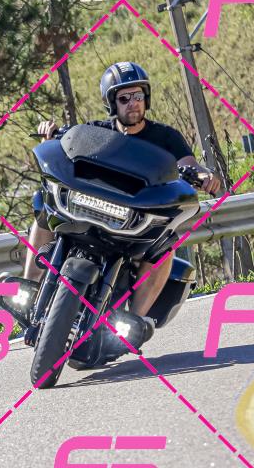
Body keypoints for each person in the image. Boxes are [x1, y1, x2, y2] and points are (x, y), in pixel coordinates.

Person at [25, 61, 220, 348]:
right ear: (112, 103)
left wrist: (202, 175)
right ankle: (31, 287)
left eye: (138, 96)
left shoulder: (165, 137)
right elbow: (70, 148)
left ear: (146, 98)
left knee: (165, 246)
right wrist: (51, 134)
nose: (133, 103)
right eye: (124, 98)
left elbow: (187, 164)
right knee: (44, 203)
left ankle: (134, 322)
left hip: (133, 226)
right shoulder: (95, 132)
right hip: (91, 216)